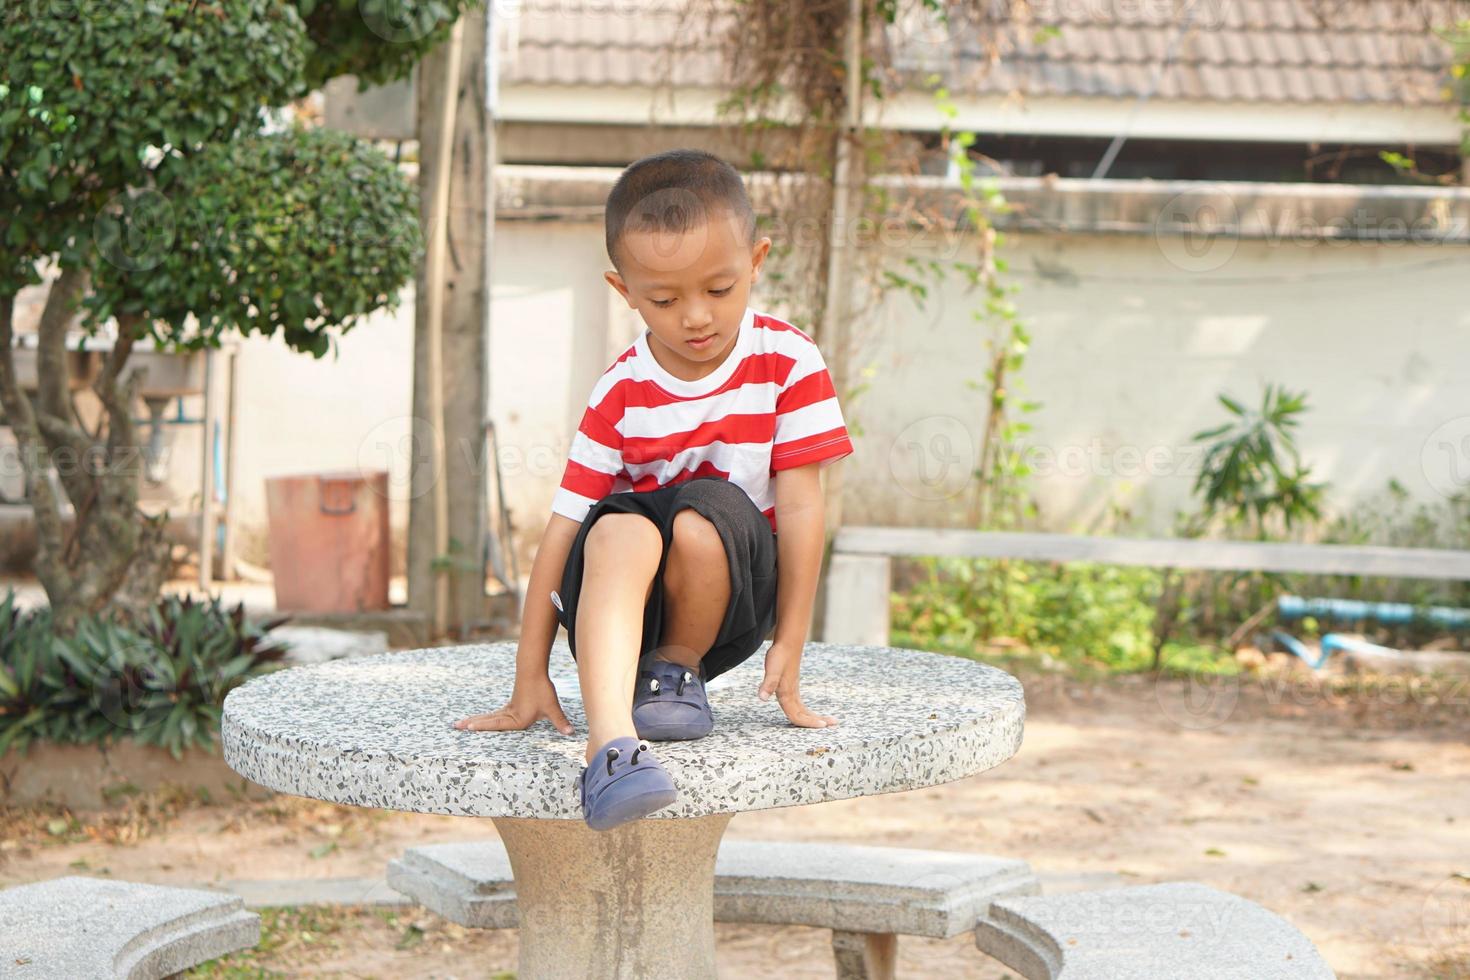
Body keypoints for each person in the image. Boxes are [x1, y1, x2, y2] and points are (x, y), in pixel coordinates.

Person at [451, 148, 854, 831]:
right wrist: (529, 675)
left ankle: (676, 670)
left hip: (727, 597)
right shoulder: (621, 390)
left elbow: (802, 504)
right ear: (624, 291)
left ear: (755, 263)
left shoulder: (788, 363)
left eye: (719, 290)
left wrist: (792, 639)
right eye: (665, 300)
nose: (695, 317)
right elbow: (563, 530)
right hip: (616, 610)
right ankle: (610, 747)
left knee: (707, 512)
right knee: (617, 524)